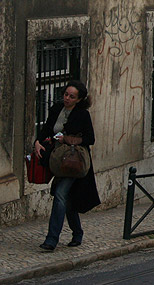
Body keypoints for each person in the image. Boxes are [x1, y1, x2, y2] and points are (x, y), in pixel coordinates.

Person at [33, 81, 100, 251]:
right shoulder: (56, 109)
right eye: (66, 94)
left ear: (79, 99)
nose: (67, 98)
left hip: (73, 161)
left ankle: (51, 239)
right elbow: (47, 129)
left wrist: (67, 139)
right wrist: (37, 142)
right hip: (57, 160)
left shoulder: (82, 115)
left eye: (72, 96)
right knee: (68, 199)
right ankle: (77, 232)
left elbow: (89, 139)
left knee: (61, 194)